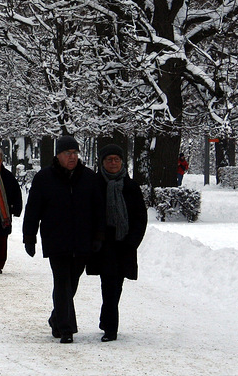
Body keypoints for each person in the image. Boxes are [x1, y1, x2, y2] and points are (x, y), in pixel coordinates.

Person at [23, 135, 101, 344]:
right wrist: (29, 237)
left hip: (82, 241)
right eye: (68, 153)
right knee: (62, 282)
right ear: (58, 155)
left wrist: (97, 237)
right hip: (56, 240)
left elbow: (98, 212)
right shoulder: (44, 178)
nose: (72, 157)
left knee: (71, 283)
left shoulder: (89, 178)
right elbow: (33, 210)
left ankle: (56, 318)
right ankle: (67, 329)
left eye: (75, 153)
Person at [88, 144, 147, 342]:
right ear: (102, 162)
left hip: (124, 243)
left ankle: (107, 320)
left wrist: (133, 241)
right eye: (109, 159)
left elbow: (140, 216)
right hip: (103, 244)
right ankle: (111, 328)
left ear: (122, 162)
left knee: (117, 286)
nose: (113, 163)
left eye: (116, 159)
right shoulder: (95, 184)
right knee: (108, 285)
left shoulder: (131, 186)